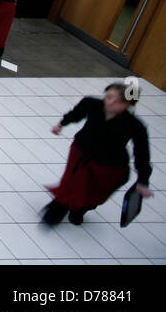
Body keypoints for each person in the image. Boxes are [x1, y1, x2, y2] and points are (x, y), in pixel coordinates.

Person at [44, 81, 152, 226]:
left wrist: (143, 181)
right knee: (71, 185)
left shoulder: (134, 125)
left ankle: (80, 210)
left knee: (94, 194)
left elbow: (142, 155)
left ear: (127, 104)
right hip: (81, 153)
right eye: (108, 97)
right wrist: (61, 124)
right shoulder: (91, 104)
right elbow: (76, 114)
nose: (111, 102)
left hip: (108, 165)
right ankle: (56, 213)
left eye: (118, 101)